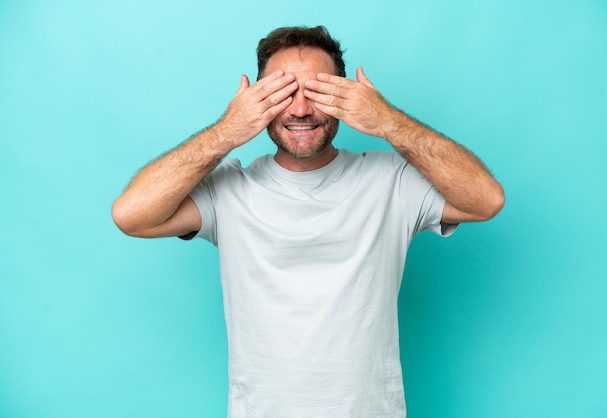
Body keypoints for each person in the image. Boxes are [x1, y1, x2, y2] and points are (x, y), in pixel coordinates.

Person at [112, 25, 504, 417]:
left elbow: (486, 200)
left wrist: (387, 122)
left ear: (344, 97)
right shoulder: (229, 190)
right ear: (257, 101)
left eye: (317, 92)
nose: (300, 109)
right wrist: (227, 132)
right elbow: (131, 216)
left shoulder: (392, 182)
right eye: (282, 93)